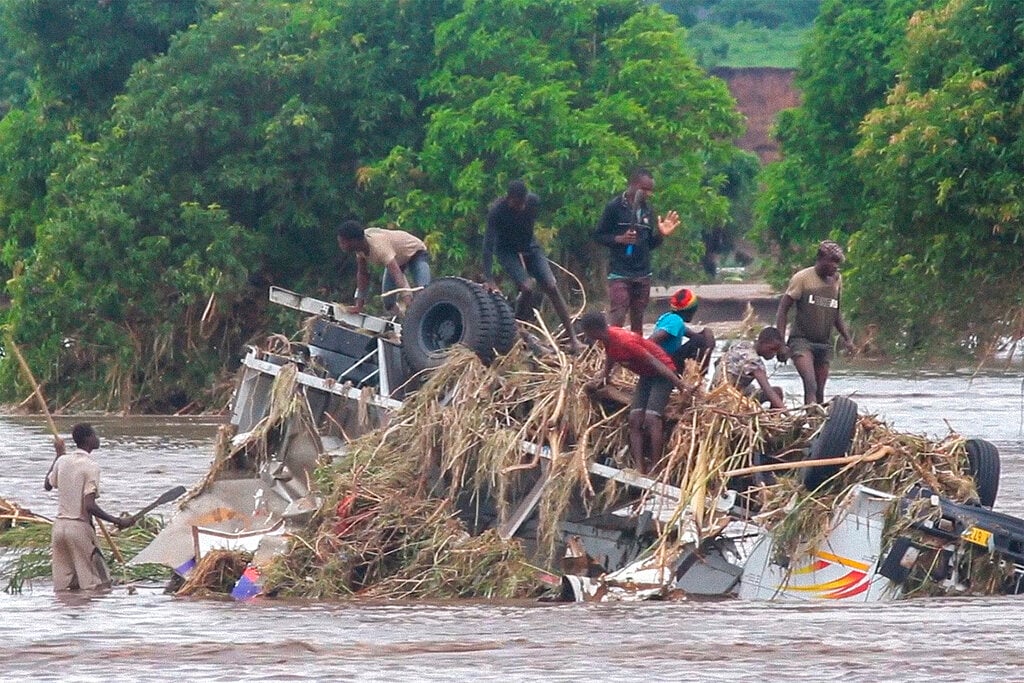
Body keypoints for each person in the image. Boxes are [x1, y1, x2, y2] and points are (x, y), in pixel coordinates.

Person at [580, 311, 690, 474]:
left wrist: (680, 385)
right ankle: (639, 467)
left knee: (652, 418)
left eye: (587, 332)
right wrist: (605, 375)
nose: (586, 335)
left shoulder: (625, 341)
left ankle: (655, 466)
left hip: (663, 373)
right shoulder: (607, 338)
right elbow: (611, 354)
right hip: (646, 374)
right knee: (634, 418)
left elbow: (655, 361)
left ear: (594, 330)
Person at [482, 180, 582, 352]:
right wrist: (489, 278)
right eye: (517, 203)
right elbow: (488, 245)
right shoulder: (497, 212)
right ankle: (516, 329)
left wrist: (527, 255)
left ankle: (573, 338)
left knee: (551, 285)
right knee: (527, 287)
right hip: (507, 251)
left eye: (523, 202)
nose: (521, 207)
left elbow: (526, 229)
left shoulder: (533, 202)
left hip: (530, 247)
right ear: (509, 199)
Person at [46, 424, 135, 592]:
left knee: (64, 587)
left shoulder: (63, 460)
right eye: (95, 435)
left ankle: (63, 616)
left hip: (59, 529)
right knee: (96, 584)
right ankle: (89, 617)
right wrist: (118, 520)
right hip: (79, 528)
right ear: (88, 439)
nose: (98, 438)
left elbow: (48, 485)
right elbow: (89, 506)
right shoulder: (91, 466)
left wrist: (58, 456)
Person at [593, 167, 680, 334]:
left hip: (642, 274)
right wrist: (619, 239)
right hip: (620, 272)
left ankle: (635, 357)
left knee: (638, 321)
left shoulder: (648, 210)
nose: (648, 194)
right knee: (618, 316)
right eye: (644, 189)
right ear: (632, 185)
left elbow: (650, 245)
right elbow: (599, 236)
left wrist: (661, 235)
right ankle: (613, 353)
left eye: (650, 190)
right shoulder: (614, 207)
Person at [775, 240, 855, 405]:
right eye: (831, 261)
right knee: (810, 384)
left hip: (823, 344)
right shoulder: (802, 278)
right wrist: (781, 343)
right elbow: (783, 310)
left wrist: (847, 339)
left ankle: (816, 425)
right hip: (801, 342)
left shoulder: (837, 281)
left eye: (837, 263)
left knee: (819, 390)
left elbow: (836, 313)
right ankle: (810, 418)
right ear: (820, 259)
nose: (835, 266)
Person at [336, 220, 431, 315]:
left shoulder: (379, 247)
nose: (341, 246)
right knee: (388, 302)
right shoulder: (359, 249)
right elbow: (362, 275)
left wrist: (408, 302)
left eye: (343, 242)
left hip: (416, 253)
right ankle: (401, 318)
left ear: (354, 241)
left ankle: (417, 316)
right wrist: (359, 305)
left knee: (423, 293)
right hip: (397, 259)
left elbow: (397, 276)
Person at [712, 326, 787, 409]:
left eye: (776, 350)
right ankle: (774, 420)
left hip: (715, 393)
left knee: (750, 388)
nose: (774, 353)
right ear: (761, 342)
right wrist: (788, 414)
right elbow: (768, 391)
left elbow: (717, 362)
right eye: (771, 349)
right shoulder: (754, 361)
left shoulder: (741, 345)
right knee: (777, 392)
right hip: (728, 398)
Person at [648, 288, 716, 376]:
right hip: (666, 363)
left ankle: (700, 373)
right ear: (690, 311)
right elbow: (651, 341)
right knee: (704, 338)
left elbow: (694, 335)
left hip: (664, 361)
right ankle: (702, 373)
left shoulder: (669, 317)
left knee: (705, 334)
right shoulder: (676, 321)